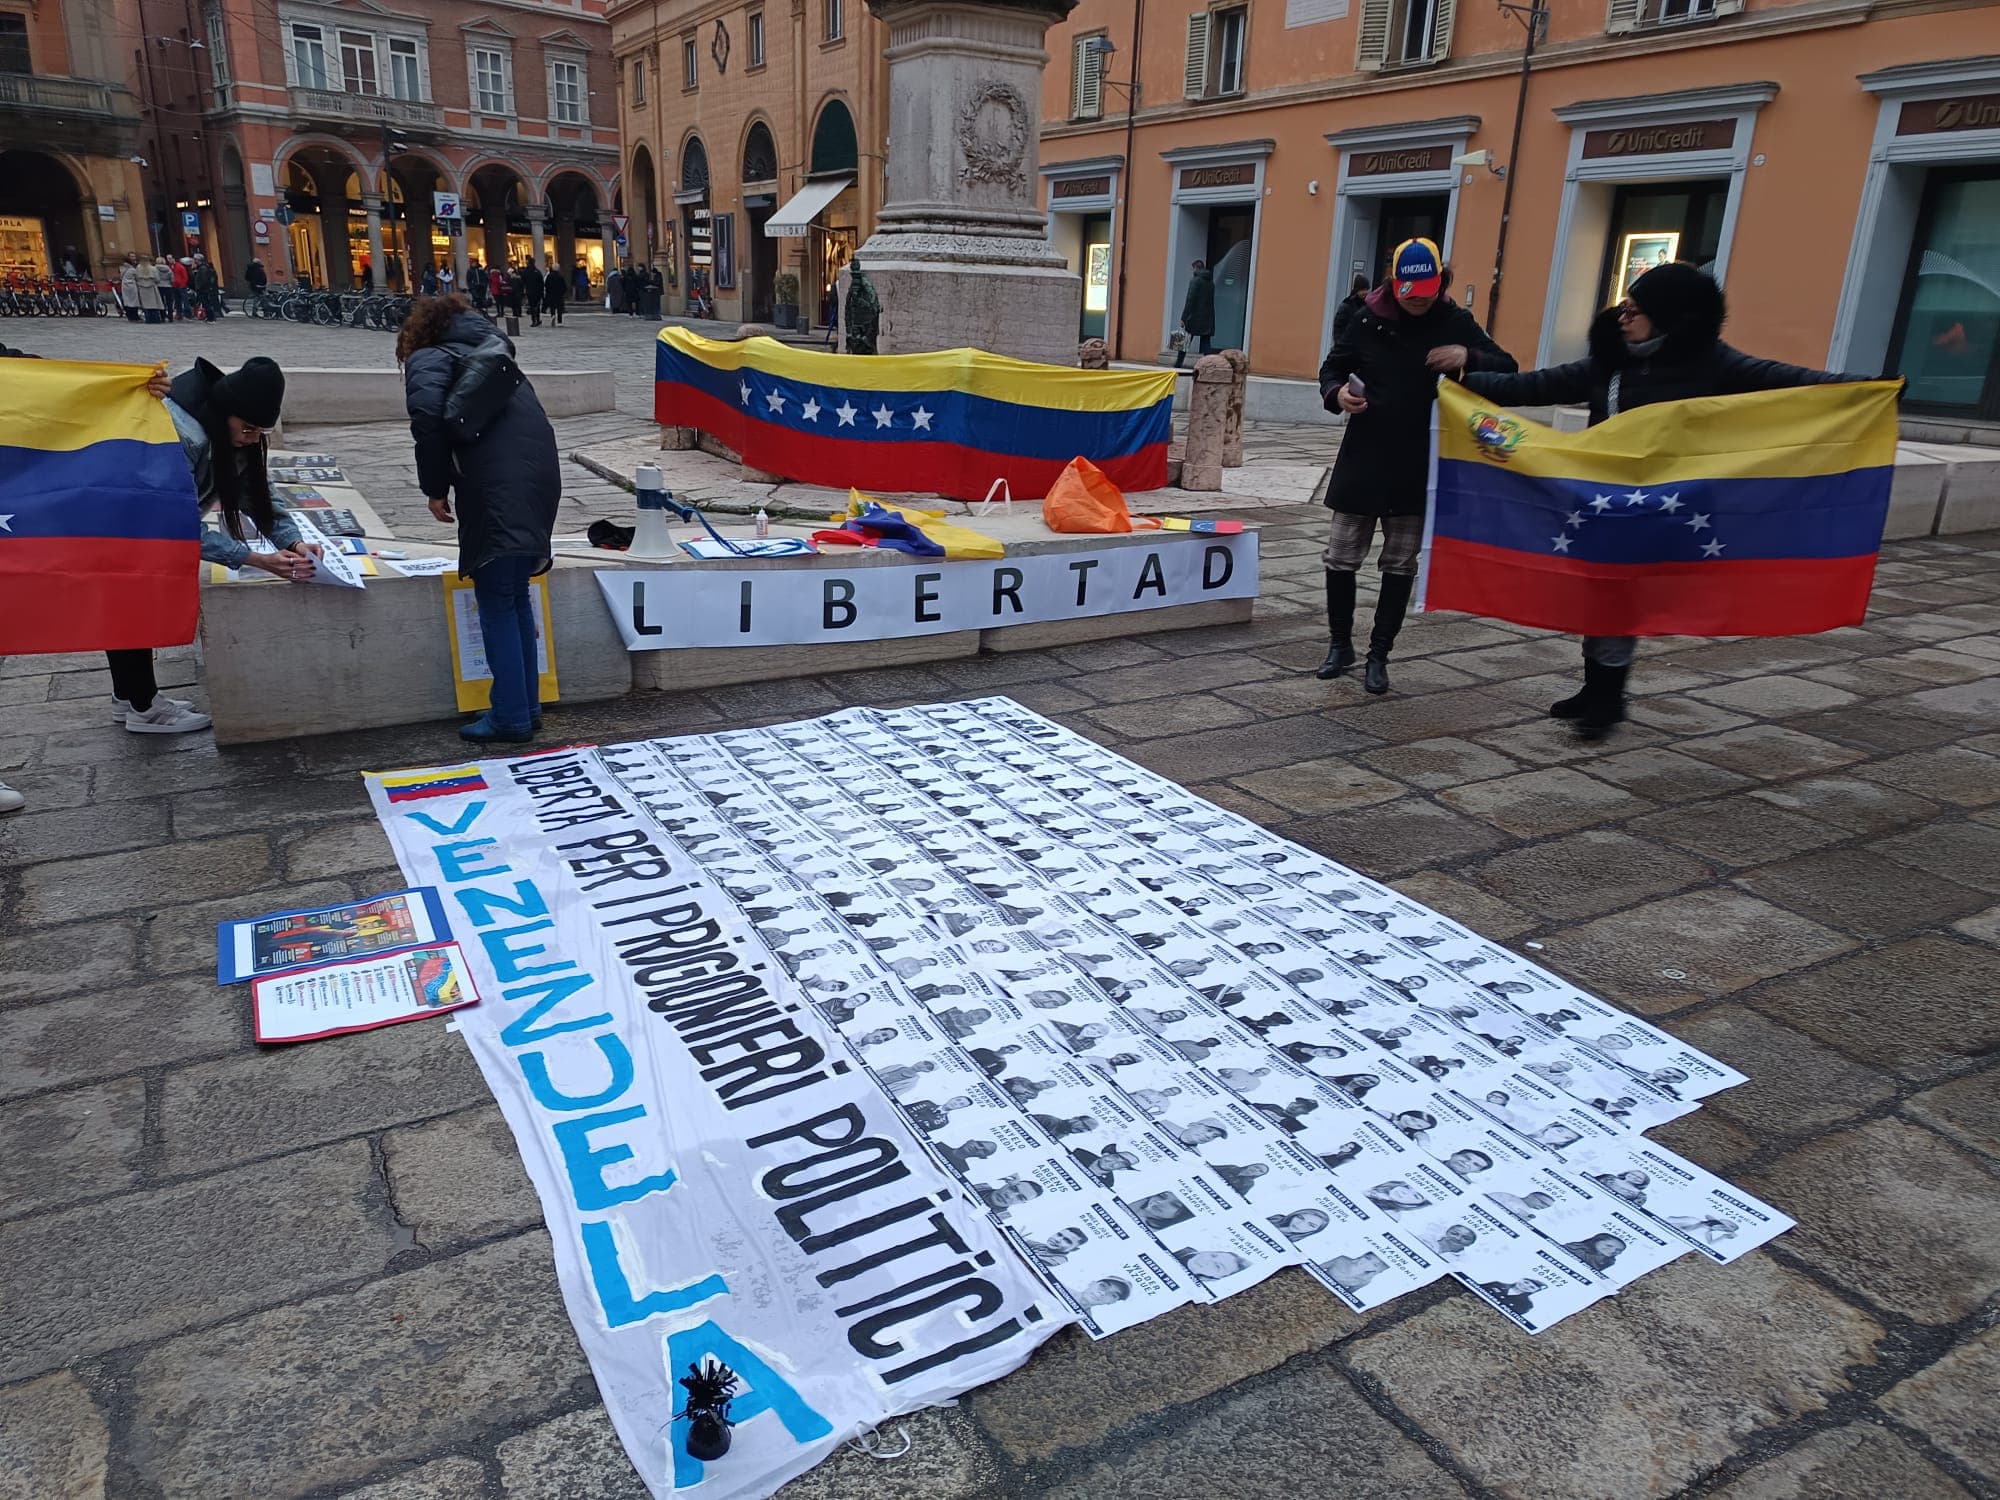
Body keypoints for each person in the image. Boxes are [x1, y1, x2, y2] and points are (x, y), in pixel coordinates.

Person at [1463, 261, 1867, 737]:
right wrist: (1463, 383)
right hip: (1606, 500)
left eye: (1636, 308)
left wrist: (1861, 389)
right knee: (1600, 593)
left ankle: (1608, 699)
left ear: (1671, 317)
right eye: (1624, 305)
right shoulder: (1609, 363)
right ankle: (1597, 689)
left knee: (1620, 597)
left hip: (1668, 505)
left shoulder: (1712, 363)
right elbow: (1532, 386)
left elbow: (1783, 381)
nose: (1623, 316)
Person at [1314, 237, 1517, 694]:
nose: (1417, 298)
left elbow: (1508, 366)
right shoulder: (1367, 317)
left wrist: (1468, 357)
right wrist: (1337, 395)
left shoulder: (1456, 321)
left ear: (1441, 282)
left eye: (1426, 290)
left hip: (1417, 461)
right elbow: (1332, 368)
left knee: (1399, 564)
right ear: (1394, 283)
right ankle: (1339, 645)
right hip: (1363, 456)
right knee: (1341, 557)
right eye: (1409, 290)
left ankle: (1379, 654)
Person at [399, 295, 561, 742]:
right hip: (537, 482)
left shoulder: (431, 356)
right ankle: (525, 709)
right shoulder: (498, 357)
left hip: (495, 488)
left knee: (496, 601)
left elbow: (428, 420)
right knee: (513, 596)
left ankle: (509, 715)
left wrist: (435, 488)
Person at [132, 356, 324, 733]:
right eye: (248, 429)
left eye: (260, 432)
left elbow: (257, 493)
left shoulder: (229, 427)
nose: (252, 439)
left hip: (147, 527)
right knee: (131, 607)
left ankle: (132, 696)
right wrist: (254, 558)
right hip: (127, 525)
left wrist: (295, 542)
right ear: (226, 415)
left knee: (136, 607)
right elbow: (180, 526)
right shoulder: (181, 435)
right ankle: (142, 706)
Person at [1179, 259, 1216, 360]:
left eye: (1192, 268)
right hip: (1208, 317)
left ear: (1196, 268)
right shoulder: (1211, 283)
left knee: (1185, 340)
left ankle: (1178, 363)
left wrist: (1183, 318)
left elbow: (1190, 300)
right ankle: (1210, 365)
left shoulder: (1195, 281)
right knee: (1205, 342)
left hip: (1194, 317)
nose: (1192, 271)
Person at [1331, 272, 1370, 346]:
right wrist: (1340, 345)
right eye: (1363, 289)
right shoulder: (1347, 305)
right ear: (1357, 289)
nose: (1365, 292)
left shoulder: (1366, 305)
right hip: (1347, 346)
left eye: (1367, 289)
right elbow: (1338, 329)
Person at [118, 252, 145, 322]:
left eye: (134, 256)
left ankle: (130, 316)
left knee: (127, 302)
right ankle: (135, 317)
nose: (134, 258)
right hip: (132, 286)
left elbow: (120, 277)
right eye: (132, 257)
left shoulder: (122, 268)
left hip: (124, 286)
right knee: (134, 302)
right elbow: (138, 277)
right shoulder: (132, 269)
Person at [520, 258, 544, 327]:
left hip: (530, 291)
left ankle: (534, 320)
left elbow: (522, 281)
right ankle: (538, 319)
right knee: (537, 305)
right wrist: (542, 291)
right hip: (537, 291)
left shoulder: (526, 271)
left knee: (532, 306)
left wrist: (523, 291)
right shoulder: (537, 271)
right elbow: (541, 282)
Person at [543, 258, 565, 326]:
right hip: (559, 295)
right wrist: (562, 292)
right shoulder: (560, 276)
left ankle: (553, 315)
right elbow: (564, 286)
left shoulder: (549, 276)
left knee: (552, 306)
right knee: (559, 308)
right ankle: (559, 321)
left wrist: (548, 291)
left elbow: (546, 284)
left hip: (551, 294)